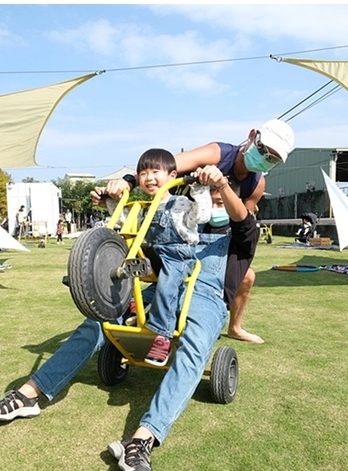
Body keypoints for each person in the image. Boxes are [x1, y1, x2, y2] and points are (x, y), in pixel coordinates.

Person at [0, 164, 251, 471]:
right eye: (215, 195)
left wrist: (220, 182)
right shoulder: (182, 224)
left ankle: (142, 440)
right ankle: (28, 396)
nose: (218, 200)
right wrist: (110, 208)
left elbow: (241, 218)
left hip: (206, 298)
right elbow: (140, 253)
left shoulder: (242, 237)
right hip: (160, 289)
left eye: (224, 196)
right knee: (97, 322)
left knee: (193, 347)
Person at [97, 119, 295, 344]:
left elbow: (242, 225)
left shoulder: (257, 184)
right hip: (181, 224)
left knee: (247, 276)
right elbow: (164, 165)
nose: (264, 160)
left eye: (272, 159)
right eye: (262, 150)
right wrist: (129, 182)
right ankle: (141, 309)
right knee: (156, 265)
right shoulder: (217, 153)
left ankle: (234, 326)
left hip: (217, 233)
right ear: (252, 136)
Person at [107, 148, 211, 367]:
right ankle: (136, 308)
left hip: (177, 256)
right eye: (143, 173)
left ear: (172, 176)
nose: (149, 178)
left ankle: (162, 336)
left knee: (167, 285)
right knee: (125, 274)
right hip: (151, 255)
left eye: (155, 171)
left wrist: (200, 188)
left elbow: (201, 215)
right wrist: (111, 202)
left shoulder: (180, 202)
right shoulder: (143, 207)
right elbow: (123, 223)